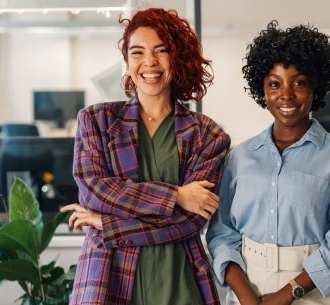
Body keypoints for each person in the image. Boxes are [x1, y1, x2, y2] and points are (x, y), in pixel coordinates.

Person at [60, 8, 230, 305]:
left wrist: (107, 224)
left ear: (177, 59)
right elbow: (95, 193)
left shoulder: (208, 135)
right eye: (137, 52)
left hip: (180, 284)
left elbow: (188, 222)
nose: (149, 62)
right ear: (126, 61)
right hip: (107, 281)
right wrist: (175, 195)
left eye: (161, 51)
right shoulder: (96, 121)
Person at [205, 21, 330, 305]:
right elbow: (221, 233)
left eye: (299, 83)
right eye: (274, 84)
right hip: (247, 284)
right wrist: (246, 297)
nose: (286, 94)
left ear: (316, 88)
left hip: (311, 288)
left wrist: (286, 295)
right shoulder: (239, 157)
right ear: (262, 90)